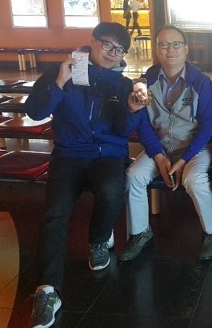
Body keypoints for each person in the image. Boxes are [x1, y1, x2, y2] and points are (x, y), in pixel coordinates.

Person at [25, 22, 139, 328]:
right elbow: (35, 112)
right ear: (93, 41)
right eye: (107, 45)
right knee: (55, 213)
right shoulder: (61, 71)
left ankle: (99, 240)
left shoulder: (123, 84)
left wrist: (132, 110)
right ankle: (47, 290)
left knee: (112, 188)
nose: (112, 53)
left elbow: (123, 131)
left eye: (119, 50)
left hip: (107, 154)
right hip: (68, 154)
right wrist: (58, 84)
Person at [120, 25, 212, 262]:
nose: (170, 50)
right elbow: (143, 125)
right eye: (164, 45)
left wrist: (183, 160)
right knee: (133, 175)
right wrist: (159, 156)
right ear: (157, 49)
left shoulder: (201, 82)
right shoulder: (145, 82)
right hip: (161, 146)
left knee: (193, 179)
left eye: (176, 44)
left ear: (186, 49)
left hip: (196, 148)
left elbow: (207, 126)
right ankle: (140, 233)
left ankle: (211, 231)